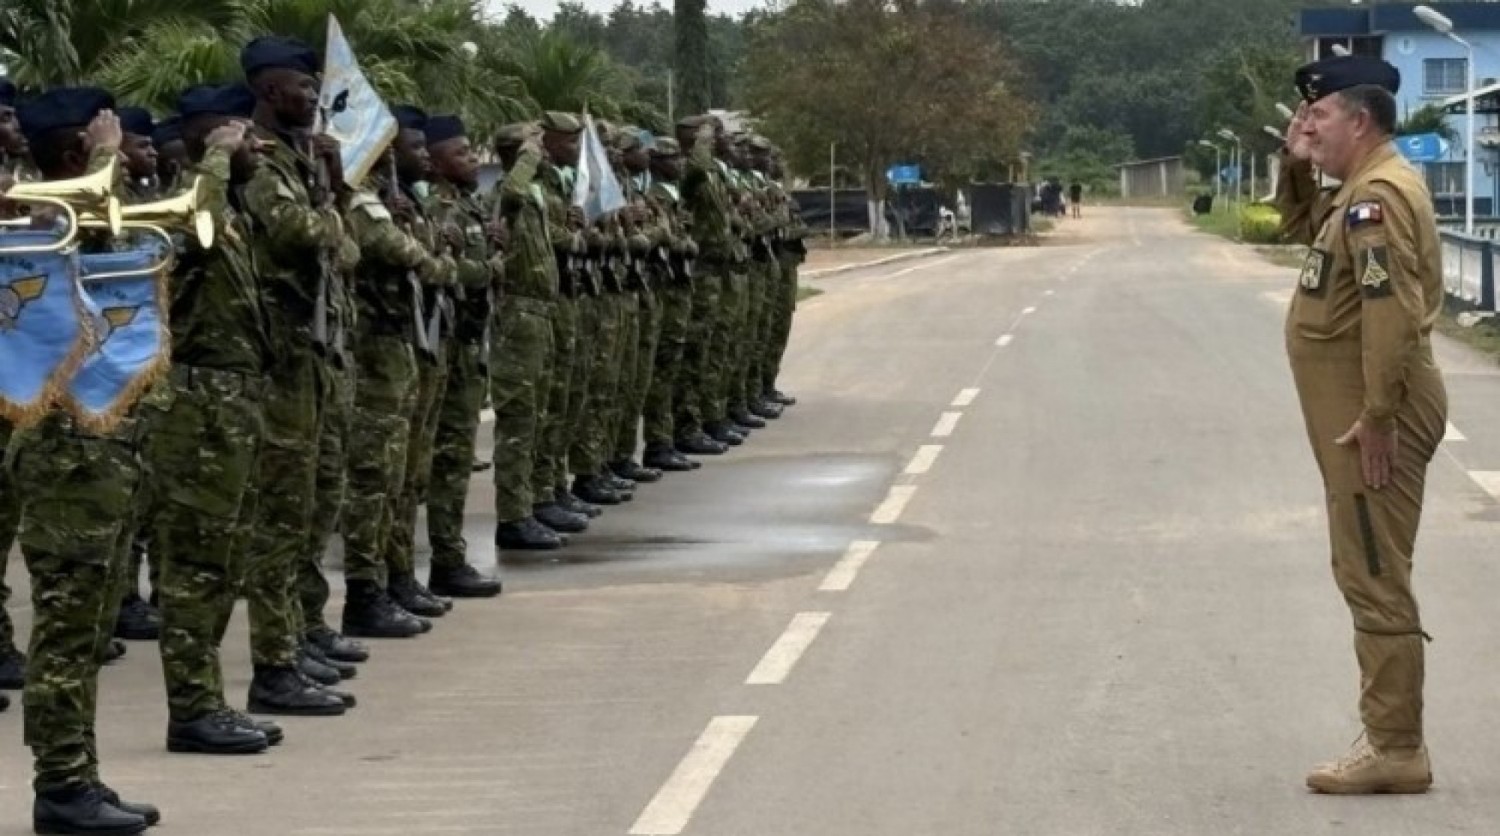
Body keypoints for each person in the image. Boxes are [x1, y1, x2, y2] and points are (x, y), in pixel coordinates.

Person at [1275, 54, 1446, 795]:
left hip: (1375, 420)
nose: (1308, 123)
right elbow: (1304, 229)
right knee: (1366, 570)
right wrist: (1300, 163)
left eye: (1320, 115)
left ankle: (1396, 746)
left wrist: (1378, 416)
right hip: (1359, 415)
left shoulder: (1378, 199)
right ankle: (1390, 736)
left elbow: (1391, 311)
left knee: (1373, 573)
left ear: (1361, 120)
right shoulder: (1355, 194)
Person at [12, 85, 162, 836]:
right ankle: (61, 786)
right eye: (107, 140)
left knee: (88, 627)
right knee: (68, 632)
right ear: (76, 155)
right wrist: (104, 164)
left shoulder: (69, 219)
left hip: (97, 451)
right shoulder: (40, 227)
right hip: (64, 457)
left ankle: (79, 777)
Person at [142, 82, 281, 755]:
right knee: (194, 565)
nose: (254, 145)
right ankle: (192, 708)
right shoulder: (182, 202)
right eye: (239, 133)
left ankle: (206, 701)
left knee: (222, 562)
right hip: (196, 408)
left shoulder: (227, 209)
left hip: (234, 404)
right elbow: (182, 245)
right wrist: (218, 163)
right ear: (207, 135)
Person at [238, 34, 354, 715]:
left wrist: (330, 187)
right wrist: (328, 202)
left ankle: (303, 633)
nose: (313, 98)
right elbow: (302, 237)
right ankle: (273, 664)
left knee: (311, 507)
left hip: (312, 355)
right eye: (302, 88)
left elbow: (343, 249)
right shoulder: (257, 163)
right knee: (280, 516)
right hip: (278, 357)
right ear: (267, 90)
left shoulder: (300, 159)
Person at [421, 113, 505, 598]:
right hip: (444, 344)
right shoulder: (440, 207)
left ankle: (449, 558)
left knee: (454, 458)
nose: (472, 160)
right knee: (445, 458)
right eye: (461, 153)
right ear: (435, 164)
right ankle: (444, 560)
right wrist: (490, 263)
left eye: (472, 152)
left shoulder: (467, 206)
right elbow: (451, 272)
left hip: (467, 341)